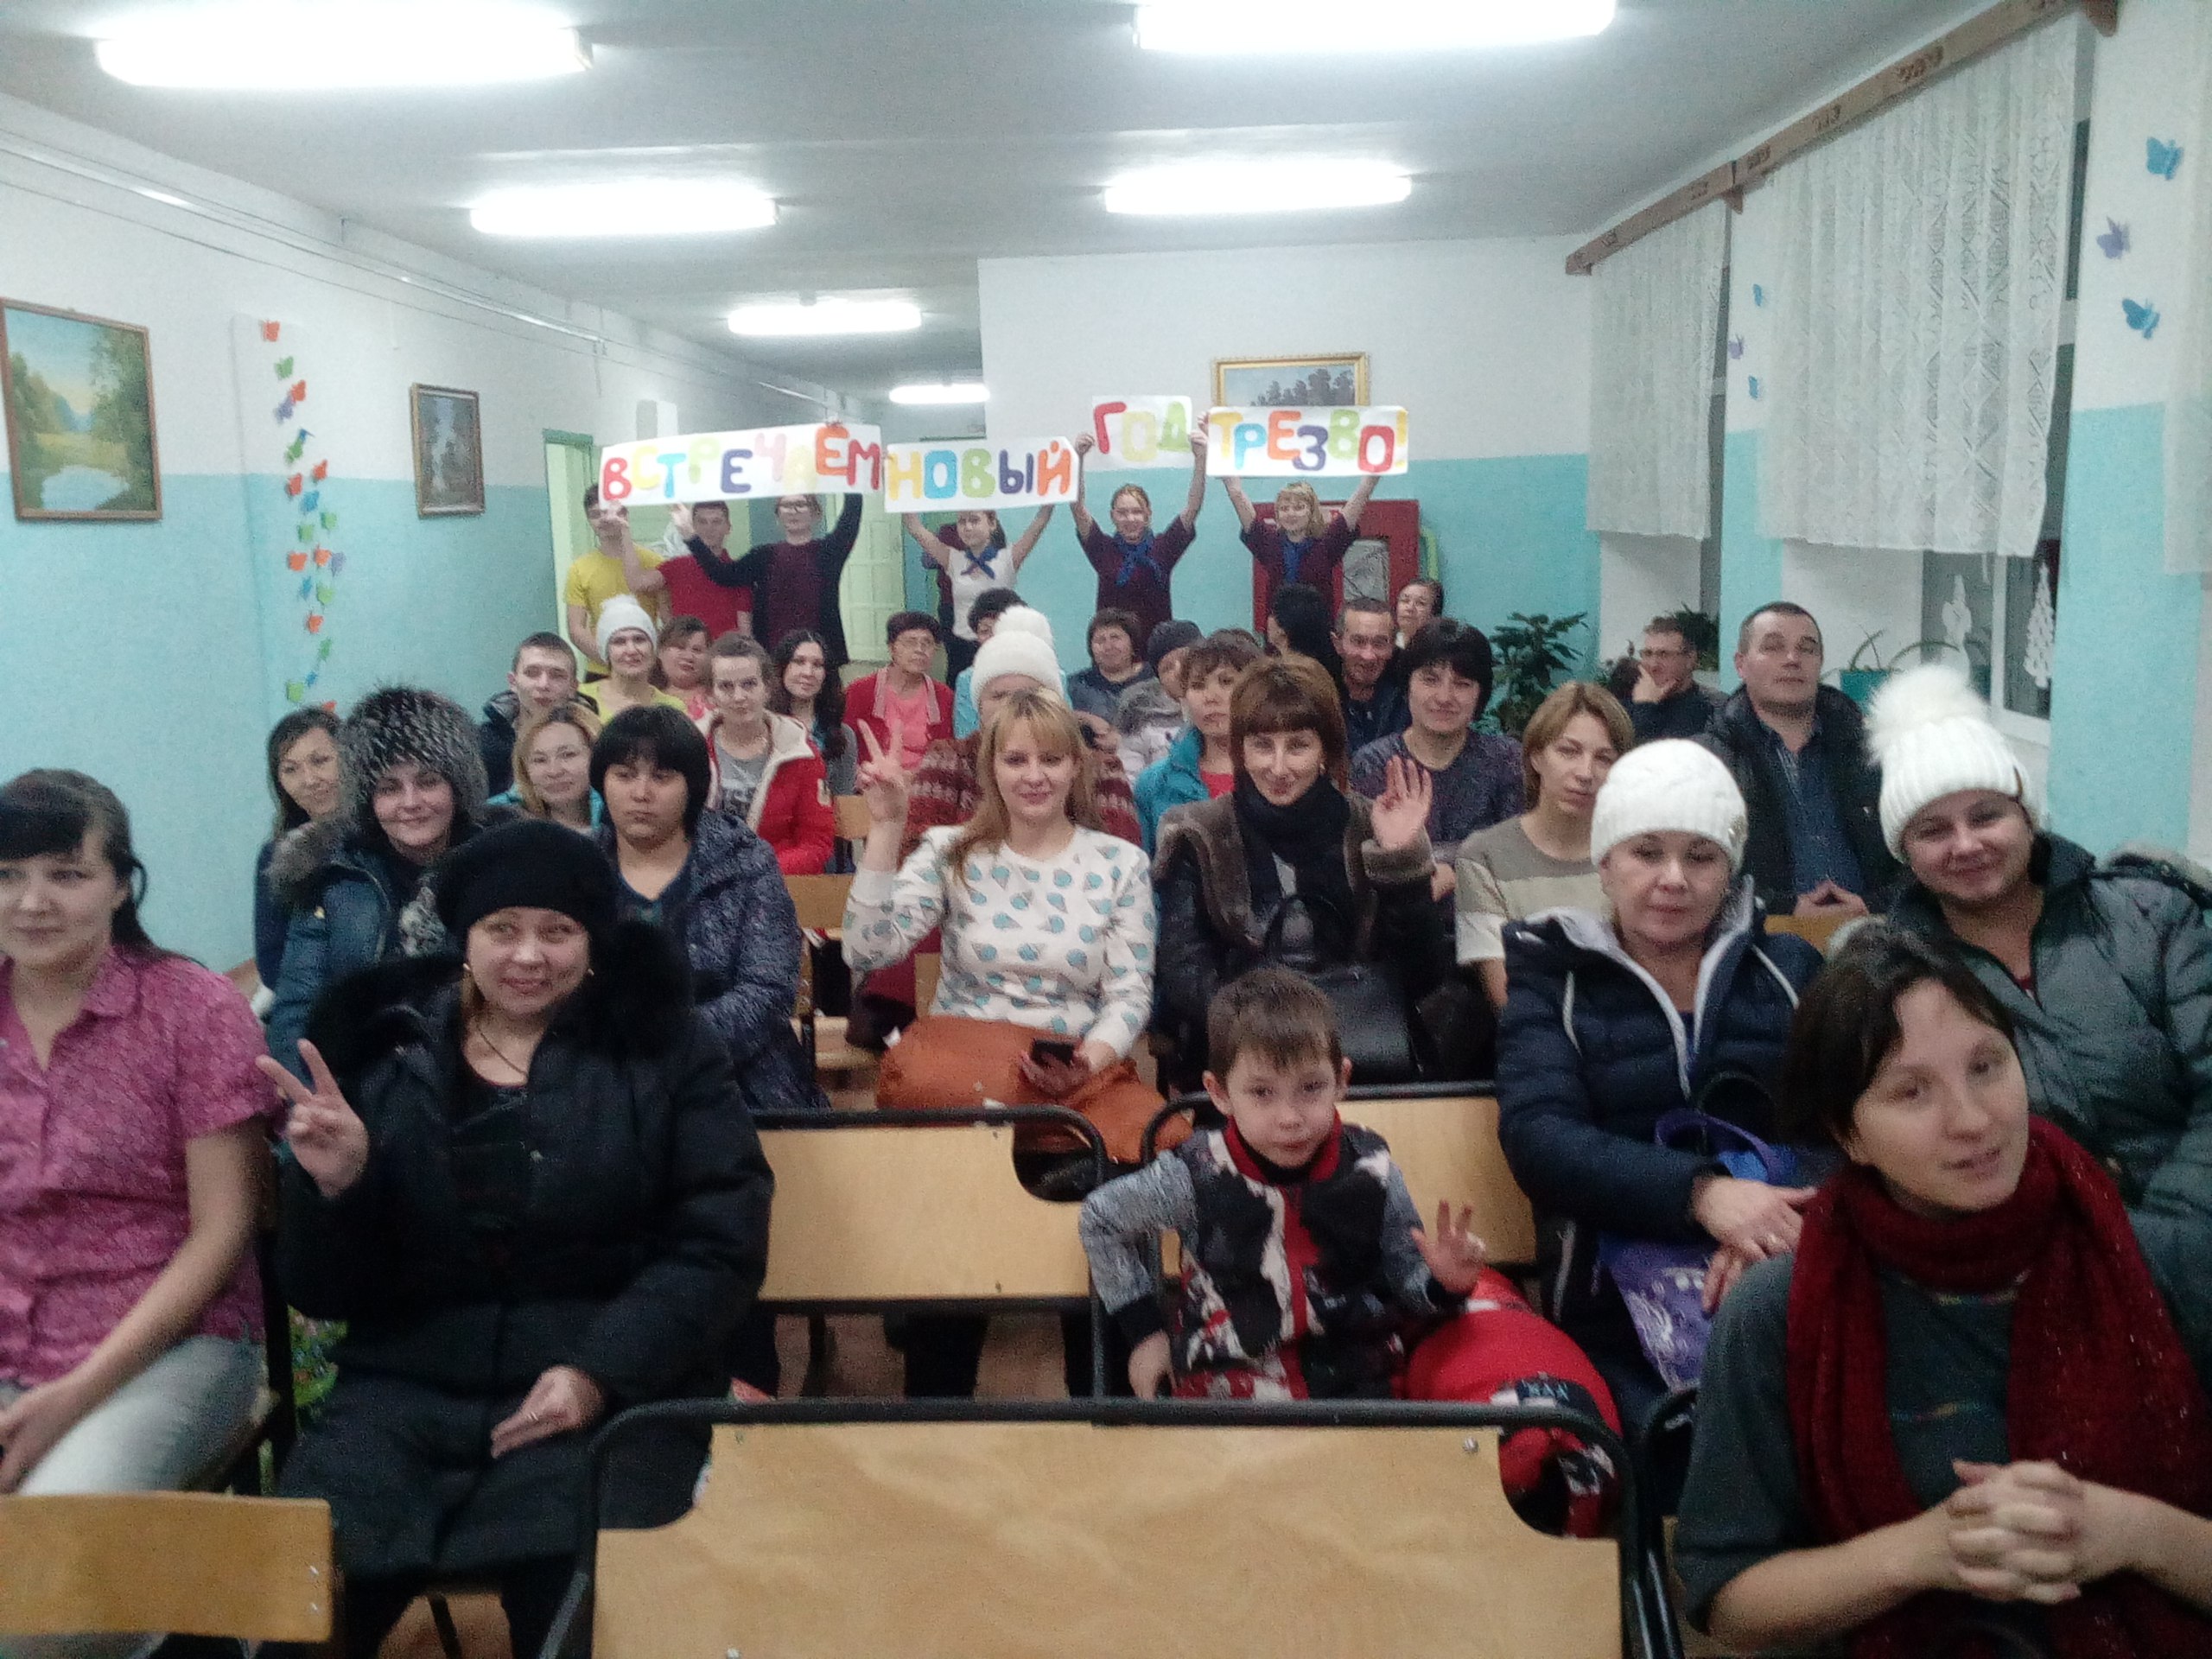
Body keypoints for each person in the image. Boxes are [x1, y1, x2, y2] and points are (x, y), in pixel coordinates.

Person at [263, 820, 774, 1659]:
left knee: (582, 1617)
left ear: (593, 941)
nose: (528, 956)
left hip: (606, 1386)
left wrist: (599, 1372)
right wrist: (339, 1188)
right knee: (285, 1613)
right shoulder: (386, 1045)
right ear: (464, 939)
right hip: (404, 1391)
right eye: (502, 929)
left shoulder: (664, 1046)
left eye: (557, 931)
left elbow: (719, 1239)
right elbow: (320, 1289)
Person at [1675, 926, 2212, 1656]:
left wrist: (2133, 1533)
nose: (1973, 1120)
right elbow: (1730, 1601)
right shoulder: (1781, 1310)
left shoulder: (2166, 1264)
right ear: (1849, 1135)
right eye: (1911, 1091)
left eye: (1987, 1066)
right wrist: (1923, 1554)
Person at [1495, 739, 1822, 1429]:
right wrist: (1705, 1196)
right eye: (1647, 852)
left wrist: (1774, 1224)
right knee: (1683, 1444)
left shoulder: (1790, 973)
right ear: (1605, 864)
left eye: (1700, 856)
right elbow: (1541, 1137)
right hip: (1615, 1305)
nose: (1673, 879)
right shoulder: (1554, 985)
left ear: (1730, 871)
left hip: (1794, 1270)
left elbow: (1854, 1122)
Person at [845, 690, 1162, 1398]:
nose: (1034, 775)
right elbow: (867, 950)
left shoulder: (1118, 863)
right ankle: (942, 1419)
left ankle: (1104, 1413)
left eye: (1051, 759)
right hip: (966, 1086)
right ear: (990, 769)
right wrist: (887, 828)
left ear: (1077, 766)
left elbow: (1129, 996)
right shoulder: (950, 850)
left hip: (1076, 1086)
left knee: (1107, 1206)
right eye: (1016, 760)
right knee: (954, 1253)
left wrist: (1086, 1061)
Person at [0, 772, 275, 1524]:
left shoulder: (192, 1010)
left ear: (122, 885)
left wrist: (72, 1397)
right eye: (8, 876)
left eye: (67, 875)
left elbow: (223, 1230)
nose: (31, 902)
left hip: (166, 1349)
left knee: (52, 1544)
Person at [1871, 663, 2212, 1250]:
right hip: (2027, 1258)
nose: (1966, 845)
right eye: (1933, 830)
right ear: (1905, 852)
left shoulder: (2151, 917)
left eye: (1987, 816)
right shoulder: (1891, 977)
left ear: (2028, 817)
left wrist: (2166, 1239)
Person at [1080, 967, 1486, 1401]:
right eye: (1262, 1093)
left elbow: (1410, 1284)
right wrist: (1145, 1333)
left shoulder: (1373, 1167)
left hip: (1360, 1390)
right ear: (1219, 1093)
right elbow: (1101, 1220)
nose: (1289, 1118)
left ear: (1341, 1080)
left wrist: (1444, 1283)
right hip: (1224, 1389)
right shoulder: (1194, 1172)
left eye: (1310, 1088)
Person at [1152, 656, 1453, 1092]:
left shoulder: (1372, 824)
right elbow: (1185, 971)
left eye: (1297, 746)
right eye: (1262, 745)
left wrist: (1399, 861)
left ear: (1325, 750)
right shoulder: (1198, 832)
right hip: (1242, 1060)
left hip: (1362, 1053)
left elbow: (1423, 974)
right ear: (1240, 749)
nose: (1278, 767)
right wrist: (1272, 1038)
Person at [591, 706, 822, 1118]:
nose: (641, 793)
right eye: (624, 775)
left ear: (693, 785)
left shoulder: (745, 861)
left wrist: (668, 1046)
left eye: (661, 777)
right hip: (605, 1077)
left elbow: (768, 991)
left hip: (740, 1077)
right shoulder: (580, 867)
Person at [267, 686, 500, 1081]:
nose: (410, 802)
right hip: (361, 1086)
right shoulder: (334, 875)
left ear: (458, 787)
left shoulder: (500, 862)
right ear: (368, 800)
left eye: (428, 782)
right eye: (389, 788)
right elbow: (296, 1010)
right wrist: (318, 1098)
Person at [1700, 601, 1899, 918]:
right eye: (1773, 647)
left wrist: (1873, 906)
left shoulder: (1874, 751)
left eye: (1807, 649)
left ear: (1820, 662)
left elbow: (1919, 850)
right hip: (1761, 934)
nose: (1792, 659)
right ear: (1741, 664)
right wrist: (1783, 909)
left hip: (1877, 929)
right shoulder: (1708, 762)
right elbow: (1698, 868)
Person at [902, 607, 1141, 856]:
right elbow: (916, 858)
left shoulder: (1100, 771)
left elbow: (1121, 862)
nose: (1012, 706)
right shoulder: (947, 762)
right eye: (999, 695)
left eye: (1027, 694)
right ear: (979, 706)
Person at [1457, 682, 1633, 1008]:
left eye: (1604, 758)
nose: (1585, 772)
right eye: (1568, 751)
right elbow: (1506, 998)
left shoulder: (1635, 855)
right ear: (1536, 756)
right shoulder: (1484, 857)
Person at [1350, 620, 1523, 903]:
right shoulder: (1374, 763)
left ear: (1481, 694)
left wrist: (1455, 876)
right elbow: (1360, 869)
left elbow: (1517, 857)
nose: (1444, 697)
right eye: (1430, 680)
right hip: (1397, 919)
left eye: (1462, 684)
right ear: (1407, 684)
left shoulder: (1506, 760)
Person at [699, 632, 835, 875]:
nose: (739, 697)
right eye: (726, 686)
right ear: (710, 694)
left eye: (749, 684)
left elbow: (816, 844)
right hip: (705, 882)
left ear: (768, 688)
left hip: (776, 881)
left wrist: (755, 871)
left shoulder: (801, 752)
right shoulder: (691, 746)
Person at [1068, 425, 1209, 644]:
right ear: (1113, 516)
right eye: (1122, 513)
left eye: (1137, 512)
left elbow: (1193, 507)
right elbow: (1077, 507)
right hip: (1112, 650)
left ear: (1147, 514)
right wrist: (1077, 459)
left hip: (1156, 651)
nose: (1130, 518)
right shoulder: (1103, 548)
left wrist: (1200, 459)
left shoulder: (1163, 547)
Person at [1134, 629, 1262, 854]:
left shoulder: (1278, 771)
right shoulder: (1154, 783)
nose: (1210, 697)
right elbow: (1149, 866)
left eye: (1226, 681)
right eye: (1198, 685)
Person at [903, 505, 1054, 681]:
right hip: (961, 644)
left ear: (992, 524)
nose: (967, 527)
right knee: (958, 682)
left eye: (974, 521)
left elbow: (1039, 523)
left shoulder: (1008, 559)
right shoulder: (953, 560)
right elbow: (916, 528)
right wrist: (901, 497)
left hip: (997, 642)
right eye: (962, 522)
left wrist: (1050, 500)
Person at [254, 707, 341, 993]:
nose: (309, 780)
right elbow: (271, 964)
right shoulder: (277, 857)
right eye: (291, 769)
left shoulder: (387, 834)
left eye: (320, 761)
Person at [728, 492, 866, 671]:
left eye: (801, 504)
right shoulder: (762, 556)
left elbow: (851, 517)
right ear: (778, 514)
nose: (793, 511)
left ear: (815, 513)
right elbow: (724, 575)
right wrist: (694, 539)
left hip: (820, 658)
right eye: (786, 505)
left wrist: (852, 483)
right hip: (773, 656)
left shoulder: (829, 551)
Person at [1223, 474, 1380, 616]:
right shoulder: (1270, 544)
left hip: (1316, 633)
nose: (1291, 513)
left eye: (1298, 507)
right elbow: (1239, 500)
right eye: (1284, 508)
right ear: (1277, 515)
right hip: (1279, 632)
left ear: (1311, 512)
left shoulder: (1326, 545)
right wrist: (1233, 487)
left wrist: (1370, 481)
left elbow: (1352, 511)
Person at [563, 485, 664, 678]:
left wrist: (641, 658)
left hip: (647, 670)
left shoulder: (654, 562)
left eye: (608, 512)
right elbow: (576, 629)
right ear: (588, 519)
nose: (604, 520)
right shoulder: (579, 569)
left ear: (624, 513)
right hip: (600, 671)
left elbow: (669, 622)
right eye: (595, 515)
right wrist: (611, 660)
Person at [843, 610, 954, 775]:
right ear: (891, 648)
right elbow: (843, 748)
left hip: (926, 783)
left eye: (927, 643)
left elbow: (951, 753)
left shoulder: (944, 696)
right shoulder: (860, 692)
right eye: (910, 642)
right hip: (873, 780)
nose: (920, 649)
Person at [479, 632, 583, 798]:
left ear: (573, 687)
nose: (544, 685)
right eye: (532, 673)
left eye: (557, 675)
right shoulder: (484, 745)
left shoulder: (592, 741)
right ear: (513, 682)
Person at [769, 627, 858, 798]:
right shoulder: (763, 726)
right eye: (799, 662)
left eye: (817, 665)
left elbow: (843, 798)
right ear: (783, 667)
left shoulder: (843, 735)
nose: (808, 673)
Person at [652, 499, 753, 643]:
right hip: (686, 650)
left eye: (716, 522)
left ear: (728, 527)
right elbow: (637, 582)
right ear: (693, 526)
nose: (709, 528)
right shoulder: (676, 566)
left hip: (722, 652)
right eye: (702, 522)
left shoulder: (737, 573)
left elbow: (745, 629)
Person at [493, 703, 603, 832]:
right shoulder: (497, 825)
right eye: (540, 760)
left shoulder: (618, 826)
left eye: (568, 755)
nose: (554, 771)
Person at [581, 597, 687, 721]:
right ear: (606, 652)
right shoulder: (581, 699)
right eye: (619, 642)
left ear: (653, 648)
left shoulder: (673, 709)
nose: (631, 650)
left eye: (639, 639)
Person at [1628, 613, 1723, 742]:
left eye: (1664, 654)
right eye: (1648, 654)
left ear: (1690, 659)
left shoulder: (1714, 710)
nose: (1653, 665)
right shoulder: (1626, 705)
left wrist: (1645, 707)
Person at [950, 587, 1028, 738]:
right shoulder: (968, 679)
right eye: (985, 631)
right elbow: (966, 737)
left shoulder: (1049, 674)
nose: (994, 638)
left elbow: (1062, 732)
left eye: (1001, 629)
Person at [1336, 594, 1407, 753]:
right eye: (1358, 642)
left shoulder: (1408, 701)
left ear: (1392, 647)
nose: (1368, 655)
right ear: (1337, 643)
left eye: (1379, 643)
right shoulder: (1320, 699)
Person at [1067, 607, 1154, 726]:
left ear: (1132, 644)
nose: (1108, 647)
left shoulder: (1155, 677)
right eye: (1100, 640)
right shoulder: (1078, 684)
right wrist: (1087, 718)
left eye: (1115, 638)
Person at [655, 614, 714, 721]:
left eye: (697, 650)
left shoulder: (718, 699)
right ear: (660, 651)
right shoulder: (645, 698)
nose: (688, 657)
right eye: (680, 647)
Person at [1395, 576, 1442, 645]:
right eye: (1405, 600)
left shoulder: (1440, 648)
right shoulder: (1387, 645)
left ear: (1433, 611)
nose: (1410, 608)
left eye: (1420, 603)